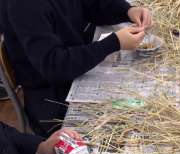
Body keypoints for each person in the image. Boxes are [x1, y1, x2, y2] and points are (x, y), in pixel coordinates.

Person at [0, 1, 153, 135]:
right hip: (52, 96)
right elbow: (54, 66)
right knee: (131, 124)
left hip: (76, 69)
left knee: (146, 105)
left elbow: (94, 5)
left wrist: (128, 11)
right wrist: (113, 43)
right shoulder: (24, 6)